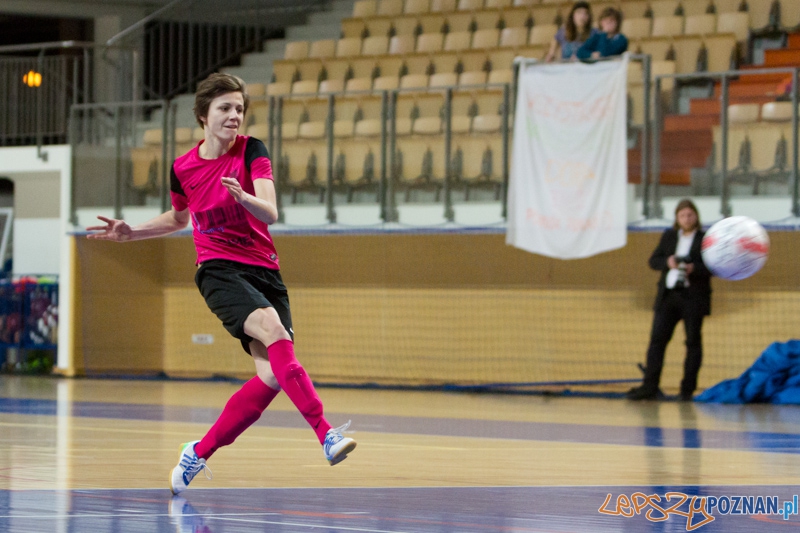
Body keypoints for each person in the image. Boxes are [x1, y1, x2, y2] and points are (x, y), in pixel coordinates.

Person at [86, 73, 356, 494]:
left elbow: (270, 213)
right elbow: (178, 219)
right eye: (225, 109)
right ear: (203, 116)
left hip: (264, 271)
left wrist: (243, 197)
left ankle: (198, 451)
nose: (235, 116)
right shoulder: (183, 168)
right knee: (271, 329)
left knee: (270, 377)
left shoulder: (252, 152)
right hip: (217, 269)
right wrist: (132, 232)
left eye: (239, 109)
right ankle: (326, 433)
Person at [627, 199, 712, 402]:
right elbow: (653, 261)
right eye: (682, 215)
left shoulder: (705, 238)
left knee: (692, 342)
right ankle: (650, 386)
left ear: (696, 216)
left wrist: (694, 268)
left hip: (693, 297)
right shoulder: (669, 236)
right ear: (676, 218)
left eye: (690, 214)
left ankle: (686, 390)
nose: (686, 218)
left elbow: (713, 266)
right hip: (668, 296)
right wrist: (668, 262)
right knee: (657, 341)